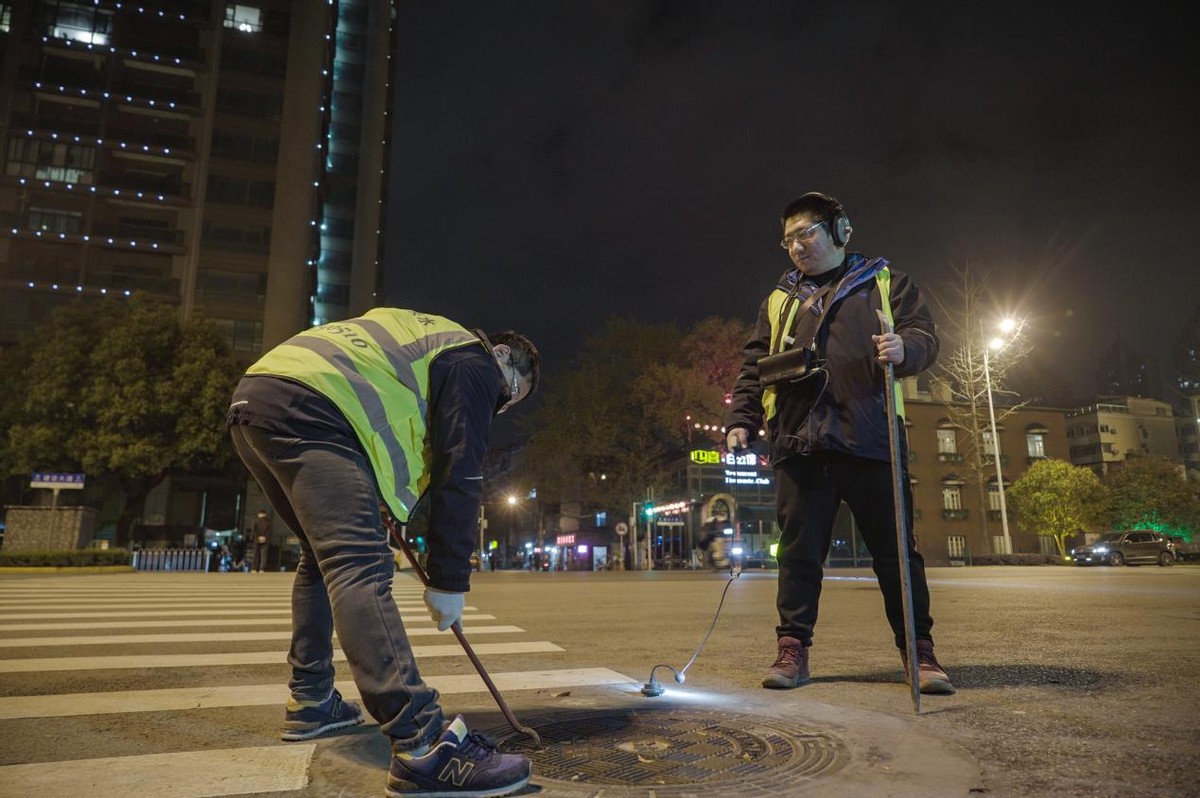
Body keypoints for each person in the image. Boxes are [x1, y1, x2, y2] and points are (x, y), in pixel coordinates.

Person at [227, 308, 539, 797]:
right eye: (506, 396)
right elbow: (462, 470)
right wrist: (450, 578)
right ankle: (423, 744)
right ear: (500, 355)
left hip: (261, 399)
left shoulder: (426, 343)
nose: (496, 409)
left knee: (319, 557)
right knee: (359, 565)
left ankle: (311, 702)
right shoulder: (473, 361)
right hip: (317, 407)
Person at [724, 192, 954, 695]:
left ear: (839, 230)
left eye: (805, 233)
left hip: (870, 440)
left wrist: (905, 348)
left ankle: (919, 652)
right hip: (798, 442)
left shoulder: (886, 283)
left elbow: (925, 336)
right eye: (787, 240)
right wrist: (741, 420)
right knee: (799, 556)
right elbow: (753, 367)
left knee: (897, 554)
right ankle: (792, 650)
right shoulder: (779, 299)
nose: (796, 247)